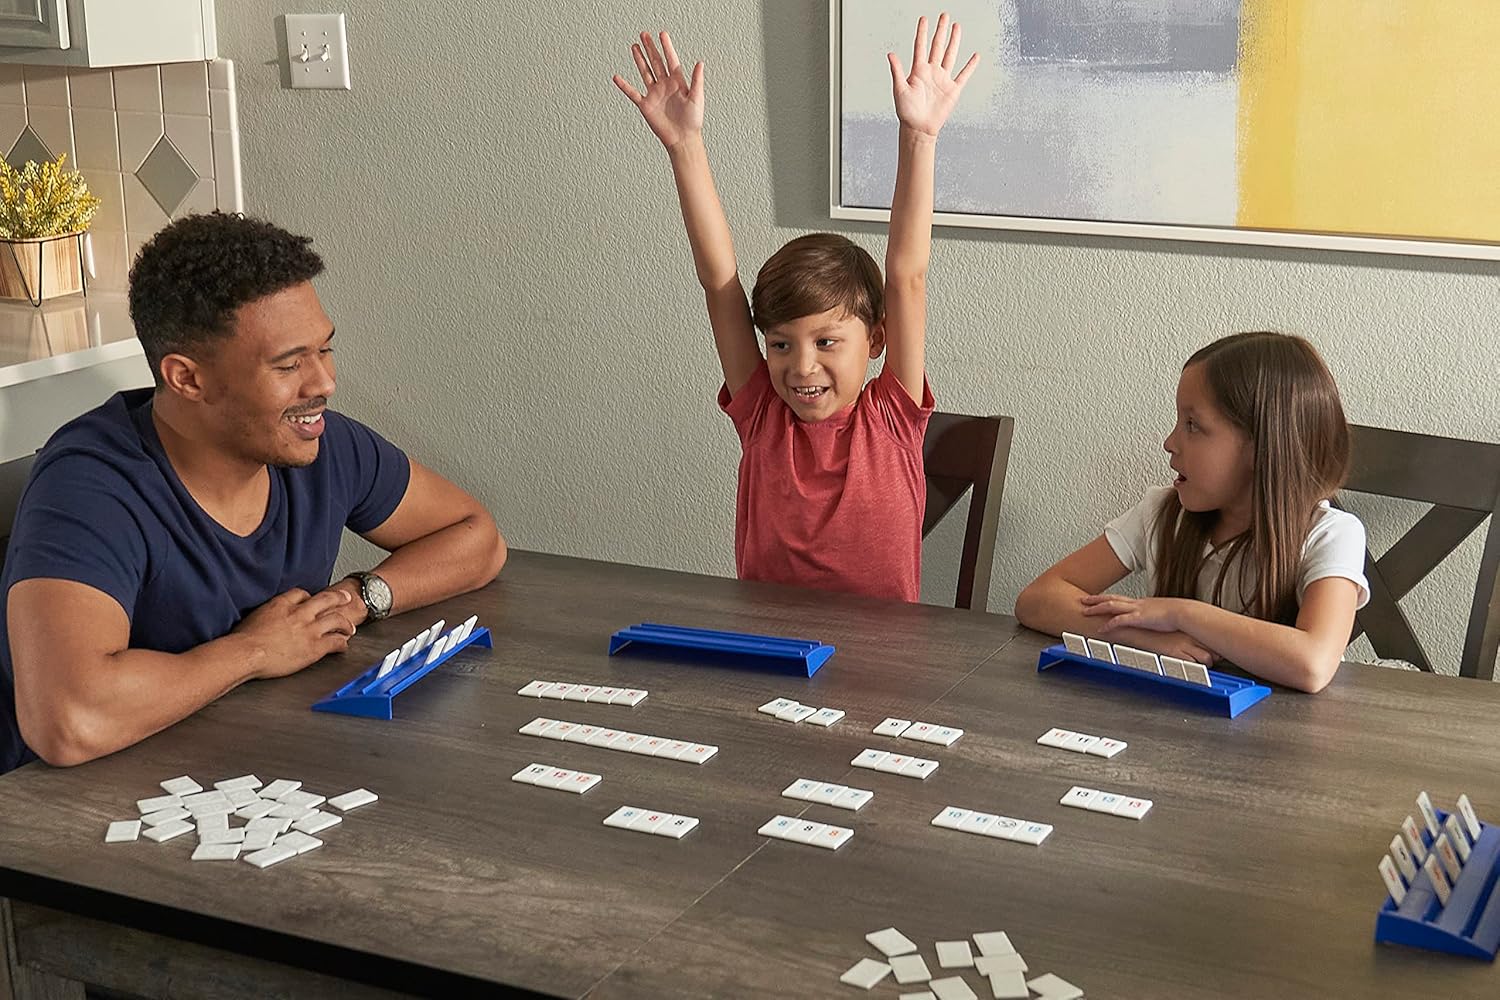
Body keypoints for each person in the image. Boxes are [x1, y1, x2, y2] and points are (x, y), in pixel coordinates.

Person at [0, 212, 508, 771]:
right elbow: (69, 721)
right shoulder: (90, 488)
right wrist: (257, 650)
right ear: (187, 378)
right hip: (52, 815)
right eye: (289, 364)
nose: (323, 383)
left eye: (324, 350)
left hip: (234, 763)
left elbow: (476, 538)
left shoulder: (318, 443)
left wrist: (356, 599)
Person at [613, 15, 978, 602]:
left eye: (827, 342)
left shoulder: (893, 416)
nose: (802, 367)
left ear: (877, 340)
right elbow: (719, 282)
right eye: (781, 344)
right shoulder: (762, 414)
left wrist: (920, 138)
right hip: (771, 663)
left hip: (883, 671)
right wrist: (685, 146)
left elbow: (907, 275)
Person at [1015, 331, 1367, 693]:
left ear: (1262, 447)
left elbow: (1313, 664)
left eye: (1193, 425)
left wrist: (1180, 613)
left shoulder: (1331, 535)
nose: (1170, 442)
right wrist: (1143, 636)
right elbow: (1038, 599)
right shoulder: (1162, 513)